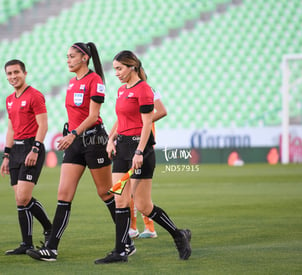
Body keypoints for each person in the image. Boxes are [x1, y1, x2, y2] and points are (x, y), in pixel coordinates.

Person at [27, 42, 128, 262]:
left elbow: (93, 116)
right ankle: (51, 248)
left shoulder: (96, 81)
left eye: (72, 56)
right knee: (63, 195)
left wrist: (73, 133)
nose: (68, 60)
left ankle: (125, 242)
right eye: (67, 57)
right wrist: (70, 133)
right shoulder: (72, 83)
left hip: (94, 141)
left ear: (85, 58)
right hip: (74, 142)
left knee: (106, 193)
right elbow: (76, 114)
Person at [95, 50, 191, 264]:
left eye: (119, 68)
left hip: (141, 149)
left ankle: (178, 235)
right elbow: (120, 120)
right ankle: (120, 251)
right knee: (120, 199)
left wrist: (139, 151)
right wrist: (111, 139)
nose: (116, 73)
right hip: (121, 149)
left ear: (132, 67)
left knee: (144, 205)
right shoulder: (121, 91)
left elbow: (147, 123)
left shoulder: (144, 90)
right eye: (115, 69)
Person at [0, 59, 52, 255]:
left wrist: (36, 149)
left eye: (16, 72)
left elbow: (43, 125)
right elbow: (11, 128)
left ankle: (49, 228)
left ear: (25, 73)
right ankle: (26, 243)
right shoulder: (9, 99)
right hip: (16, 151)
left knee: (24, 196)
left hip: (32, 147)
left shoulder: (35, 96)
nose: (13, 77)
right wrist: (6, 154)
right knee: (19, 200)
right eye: (9, 74)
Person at [129, 90, 167, 239]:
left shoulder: (147, 90)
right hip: (131, 143)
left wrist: (143, 123)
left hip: (142, 146)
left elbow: (162, 111)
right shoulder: (127, 91)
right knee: (130, 189)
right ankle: (137, 227)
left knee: (135, 191)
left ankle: (145, 227)